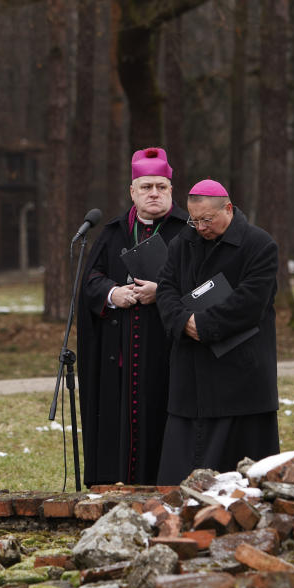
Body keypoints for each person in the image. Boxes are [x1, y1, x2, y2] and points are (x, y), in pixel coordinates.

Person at [154, 179, 280, 484]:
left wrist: (204, 325)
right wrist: (184, 322)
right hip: (192, 376)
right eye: (193, 219)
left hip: (239, 377)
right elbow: (166, 289)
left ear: (228, 209)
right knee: (180, 475)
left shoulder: (259, 244)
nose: (199, 227)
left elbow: (250, 302)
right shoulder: (182, 242)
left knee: (238, 478)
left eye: (206, 220)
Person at [77, 147, 190, 486]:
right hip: (121, 357)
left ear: (171, 189)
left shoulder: (187, 231)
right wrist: (114, 294)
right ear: (132, 192)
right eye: (145, 187)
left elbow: (203, 284)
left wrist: (163, 292)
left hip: (170, 354)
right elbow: (91, 280)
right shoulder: (112, 232)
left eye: (160, 187)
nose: (153, 193)